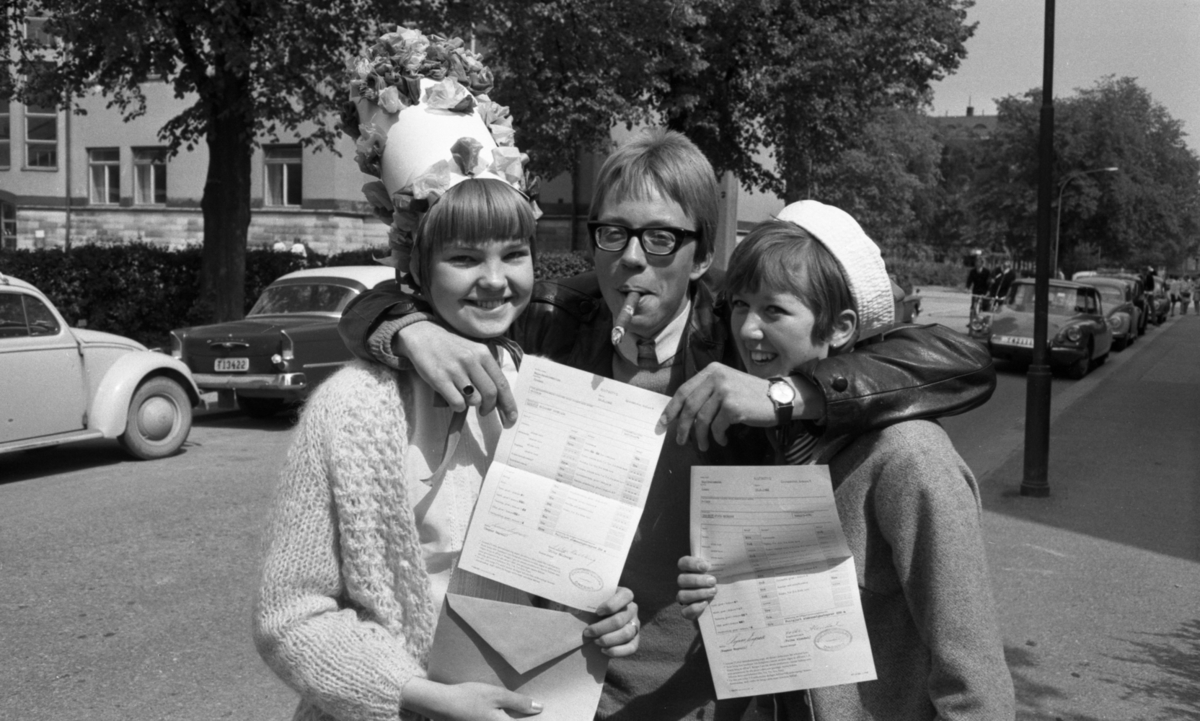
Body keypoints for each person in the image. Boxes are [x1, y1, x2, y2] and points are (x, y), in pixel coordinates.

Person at [338, 128, 997, 720]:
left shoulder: (742, 334)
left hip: (716, 696)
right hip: (563, 687)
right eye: (613, 233)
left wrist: (786, 393)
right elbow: (408, 288)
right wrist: (409, 328)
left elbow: (957, 361)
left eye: (660, 238)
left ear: (702, 256)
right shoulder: (551, 318)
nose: (632, 258)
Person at [254, 28, 640, 721]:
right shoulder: (349, 410)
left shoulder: (552, 390)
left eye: (513, 253)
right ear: (418, 264)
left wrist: (606, 611)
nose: (495, 280)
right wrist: (415, 695)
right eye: (464, 258)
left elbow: (563, 582)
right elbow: (290, 614)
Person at [677, 202, 1014, 720]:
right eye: (741, 305)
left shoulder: (911, 458)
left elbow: (976, 682)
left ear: (840, 328)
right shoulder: (769, 439)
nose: (747, 329)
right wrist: (725, 599)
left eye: (774, 310)